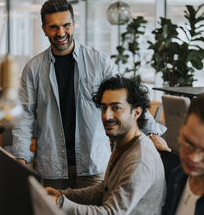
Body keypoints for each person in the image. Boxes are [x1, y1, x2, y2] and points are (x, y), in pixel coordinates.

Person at [12, 0, 169, 189]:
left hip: (93, 163)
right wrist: (20, 157)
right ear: (44, 29)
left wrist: (151, 132)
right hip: (52, 165)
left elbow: (127, 99)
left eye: (66, 25)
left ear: (74, 25)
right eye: (53, 27)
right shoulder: (34, 68)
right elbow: (24, 115)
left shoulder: (99, 61)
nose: (61, 33)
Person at [45, 75, 166, 214]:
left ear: (136, 112)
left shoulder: (140, 159)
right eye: (103, 108)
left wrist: (60, 204)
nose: (107, 116)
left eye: (116, 108)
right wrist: (61, 195)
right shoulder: (123, 142)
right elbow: (104, 190)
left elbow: (110, 213)